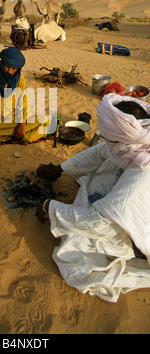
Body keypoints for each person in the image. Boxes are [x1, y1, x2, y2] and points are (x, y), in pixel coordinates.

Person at [35, 93, 150, 302]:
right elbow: (100, 152)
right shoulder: (134, 141)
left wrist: (50, 208)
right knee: (98, 178)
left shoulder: (143, 173)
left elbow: (103, 224)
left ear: (122, 137)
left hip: (134, 222)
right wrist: (60, 169)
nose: (107, 142)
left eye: (109, 138)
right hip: (124, 195)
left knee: (76, 252)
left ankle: (136, 250)